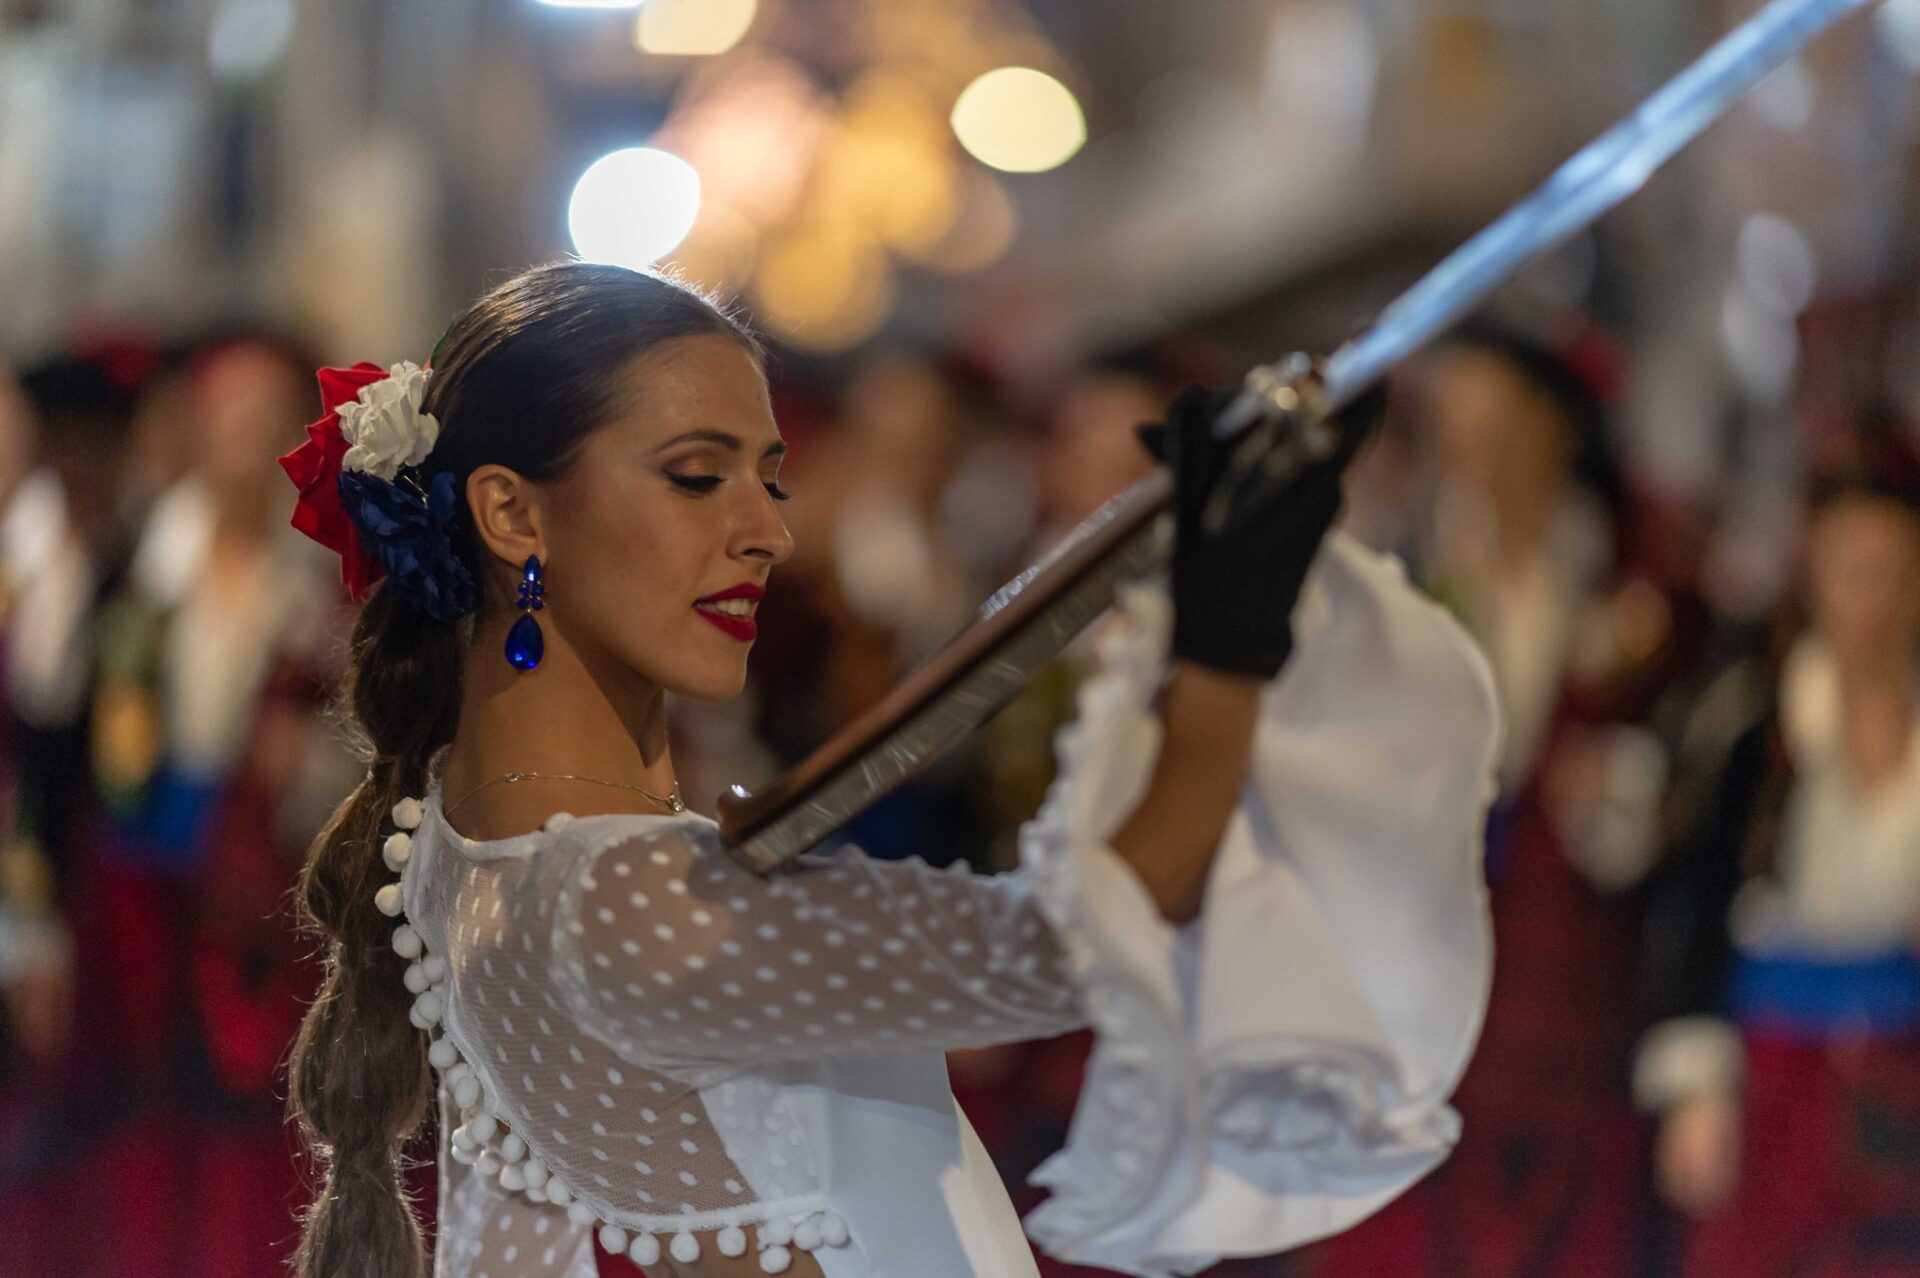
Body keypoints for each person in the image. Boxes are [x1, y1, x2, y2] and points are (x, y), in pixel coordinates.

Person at [282, 261, 1500, 1278]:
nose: (768, 531)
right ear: (511, 515)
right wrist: (1227, 643)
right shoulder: (623, 901)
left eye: (770, 478)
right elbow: (1089, 940)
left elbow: (507, 1250)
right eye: (697, 476)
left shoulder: (457, 847)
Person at [1634, 466, 1920, 1276]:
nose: (1871, 597)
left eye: (1893, 571)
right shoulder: (1757, 721)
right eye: (1850, 569)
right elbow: (1696, 895)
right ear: (1812, 577)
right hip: (1771, 1062)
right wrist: (1696, 1087)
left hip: (1898, 1066)